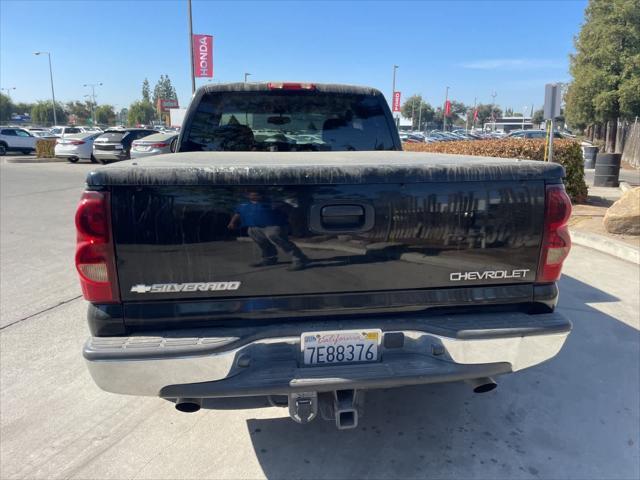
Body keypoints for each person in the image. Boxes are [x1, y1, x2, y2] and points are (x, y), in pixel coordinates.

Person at [228, 191, 309, 271]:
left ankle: (299, 259)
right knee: (263, 244)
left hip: (273, 226)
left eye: (257, 195)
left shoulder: (272, 202)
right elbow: (238, 213)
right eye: (252, 195)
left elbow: (290, 210)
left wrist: (294, 223)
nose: (255, 196)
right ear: (248, 196)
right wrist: (232, 222)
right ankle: (269, 259)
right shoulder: (244, 204)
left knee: (282, 243)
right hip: (254, 227)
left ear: (262, 195)